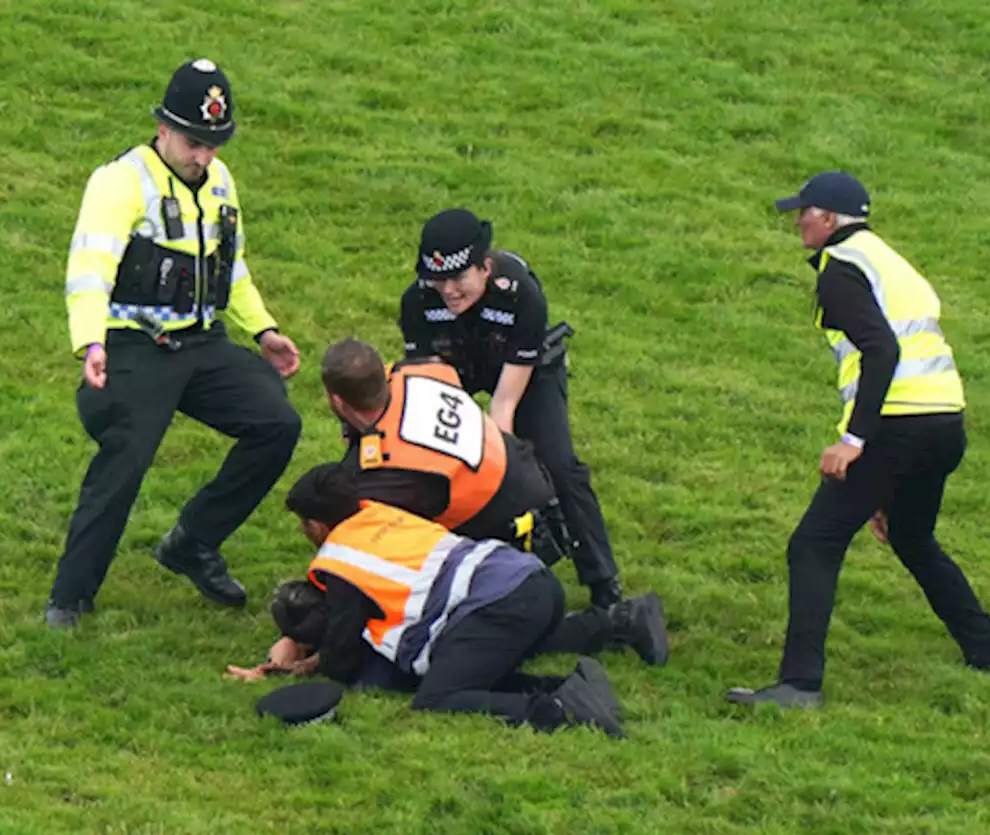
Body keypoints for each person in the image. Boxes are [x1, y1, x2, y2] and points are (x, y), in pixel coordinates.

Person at [726, 171, 990, 708]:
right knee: (911, 535)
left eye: (805, 212)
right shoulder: (886, 257)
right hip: (945, 422)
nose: (798, 222)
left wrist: (855, 440)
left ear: (830, 219)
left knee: (814, 544)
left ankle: (799, 685)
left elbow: (882, 351)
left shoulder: (842, 269)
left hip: (896, 427)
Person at [46, 59, 302, 628]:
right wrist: (90, 342)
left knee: (277, 425)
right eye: (194, 142)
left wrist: (263, 329)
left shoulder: (221, 182)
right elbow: (89, 268)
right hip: (133, 344)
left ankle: (192, 541)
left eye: (214, 144)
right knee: (128, 455)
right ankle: (70, 596)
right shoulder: (118, 183)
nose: (204, 156)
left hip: (202, 343)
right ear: (163, 128)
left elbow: (229, 269)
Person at [251, 463, 674, 736]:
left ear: (317, 525)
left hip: (498, 605)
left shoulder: (338, 561)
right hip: (532, 581)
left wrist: (300, 665)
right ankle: (621, 621)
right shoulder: (380, 512)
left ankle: (560, 708)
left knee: (440, 695)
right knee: (494, 650)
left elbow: (343, 658)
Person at [398, 209, 623, 608]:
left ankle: (604, 583)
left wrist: (510, 466)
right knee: (435, 461)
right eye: (438, 279)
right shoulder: (417, 300)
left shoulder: (522, 294)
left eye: (458, 278)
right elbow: (431, 385)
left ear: (485, 268)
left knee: (558, 464)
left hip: (525, 371)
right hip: (455, 365)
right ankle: (431, 575)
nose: (447, 290)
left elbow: (504, 405)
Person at [322, 337, 565, 561]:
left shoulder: (389, 469)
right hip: (526, 470)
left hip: (506, 530)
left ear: (338, 401)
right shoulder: (417, 370)